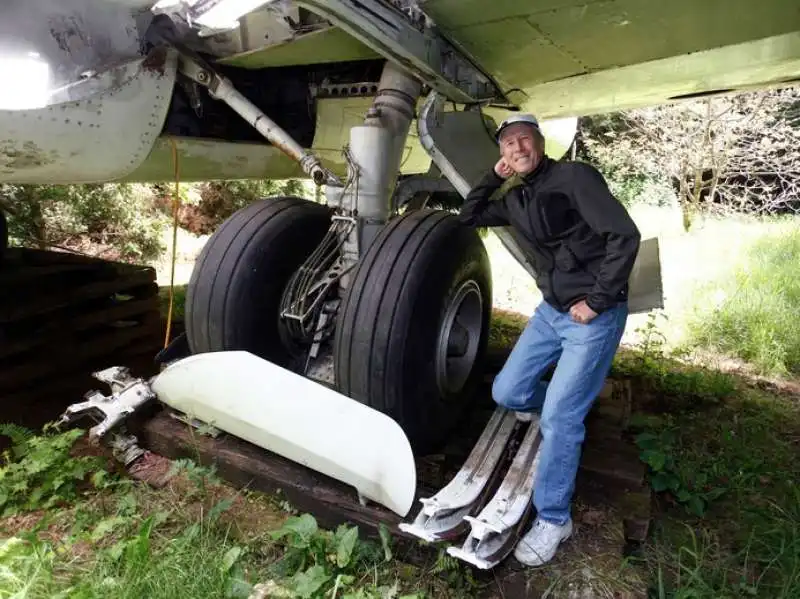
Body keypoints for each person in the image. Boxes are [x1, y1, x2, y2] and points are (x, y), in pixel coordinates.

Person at [458, 114, 641, 566]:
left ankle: (555, 519)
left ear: (540, 142)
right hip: (551, 312)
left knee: (559, 419)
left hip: (591, 317)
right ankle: (569, 403)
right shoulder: (517, 197)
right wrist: (491, 178)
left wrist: (598, 301)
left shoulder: (573, 177)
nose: (517, 148)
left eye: (523, 139)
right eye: (507, 145)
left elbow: (625, 235)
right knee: (508, 391)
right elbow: (469, 216)